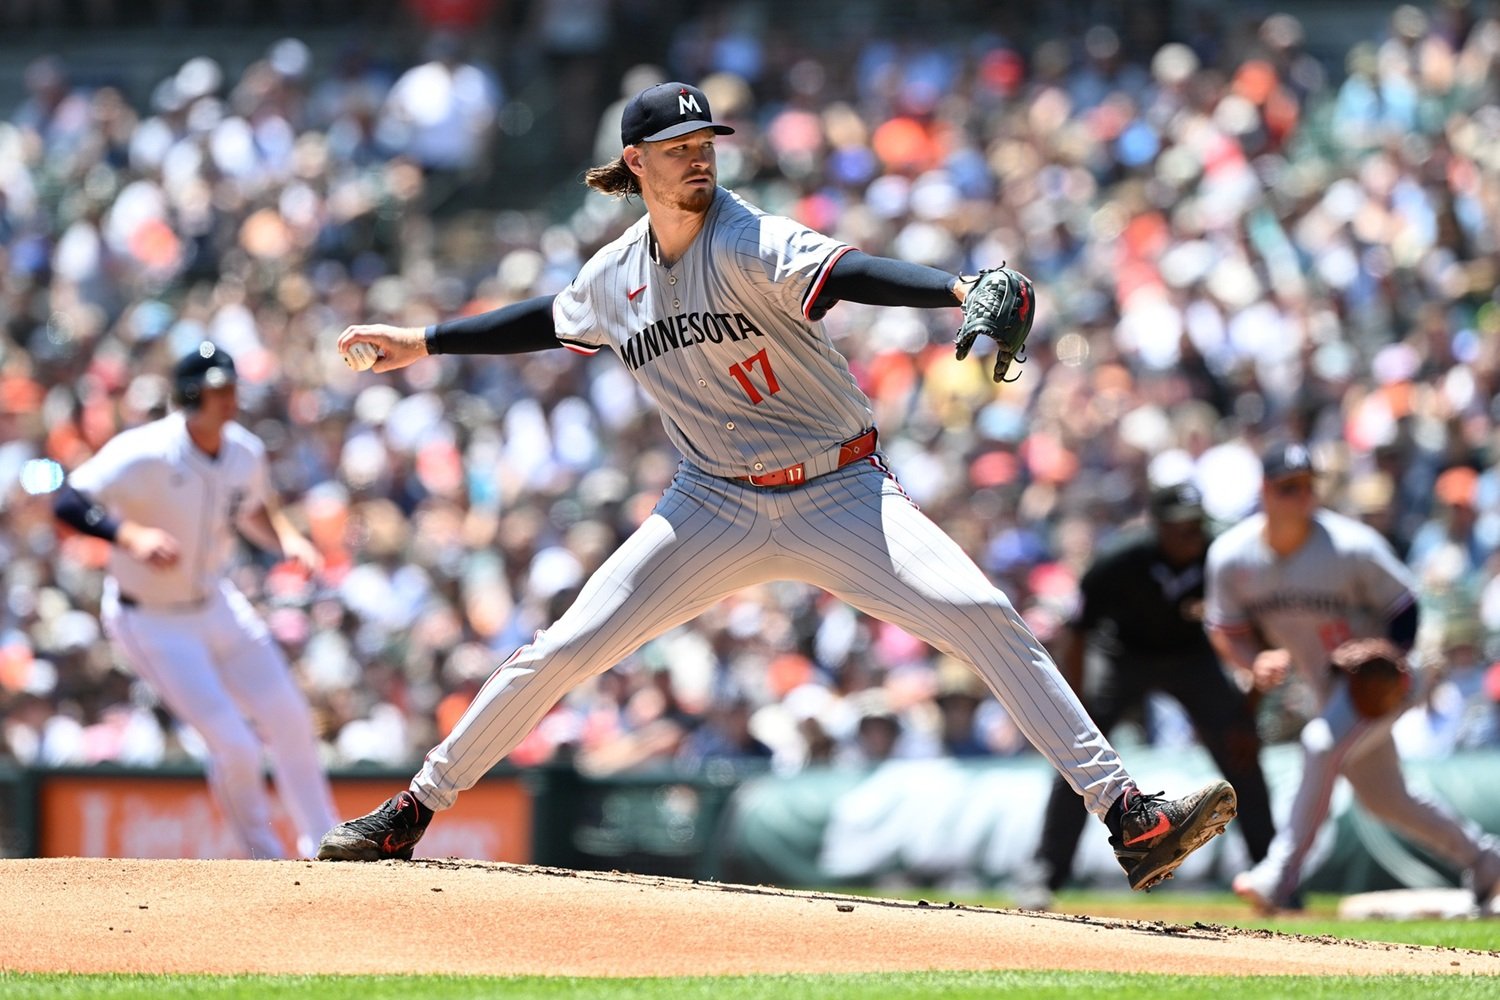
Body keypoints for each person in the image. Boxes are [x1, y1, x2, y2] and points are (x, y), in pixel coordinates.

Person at [318, 80, 1238, 893]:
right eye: (677, 148)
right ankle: (412, 809)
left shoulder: (748, 237)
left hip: (839, 488)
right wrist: (423, 341)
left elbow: (847, 271)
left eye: (705, 144)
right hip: (711, 502)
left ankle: (1128, 815)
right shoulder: (614, 277)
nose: (698, 160)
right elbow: (544, 319)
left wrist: (959, 289)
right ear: (636, 163)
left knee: (982, 614)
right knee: (564, 648)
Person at [52, 342, 339, 859]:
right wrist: (129, 535)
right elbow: (69, 500)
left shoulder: (244, 450)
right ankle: (265, 860)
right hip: (151, 618)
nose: (229, 398)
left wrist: (287, 539)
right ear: (189, 395)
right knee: (235, 744)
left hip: (216, 602)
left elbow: (255, 508)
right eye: (217, 390)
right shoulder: (145, 450)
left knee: (292, 717)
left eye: (231, 388)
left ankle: (325, 843)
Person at [1205, 442, 1500, 915]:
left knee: (1320, 744)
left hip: (1389, 679)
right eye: (1288, 487)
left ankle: (1279, 875)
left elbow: (1405, 605)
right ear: (1264, 490)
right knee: (1387, 801)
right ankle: (1484, 860)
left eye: (1308, 486)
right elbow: (1225, 629)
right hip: (1331, 690)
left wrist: (1390, 660)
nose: (1301, 497)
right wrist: (1253, 662)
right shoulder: (1233, 556)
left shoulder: (1349, 546)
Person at [1015, 482, 1275, 909]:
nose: (1191, 535)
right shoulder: (1121, 558)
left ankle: (1273, 873)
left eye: (1196, 526)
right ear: (1157, 526)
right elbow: (1078, 633)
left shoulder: (1220, 555)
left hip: (1191, 656)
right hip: (1122, 655)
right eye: (1180, 527)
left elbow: (1256, 633)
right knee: (1079, 751)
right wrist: (1076, 705)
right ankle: (1044, 872)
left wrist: (1246, 715)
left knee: (1240, 746)